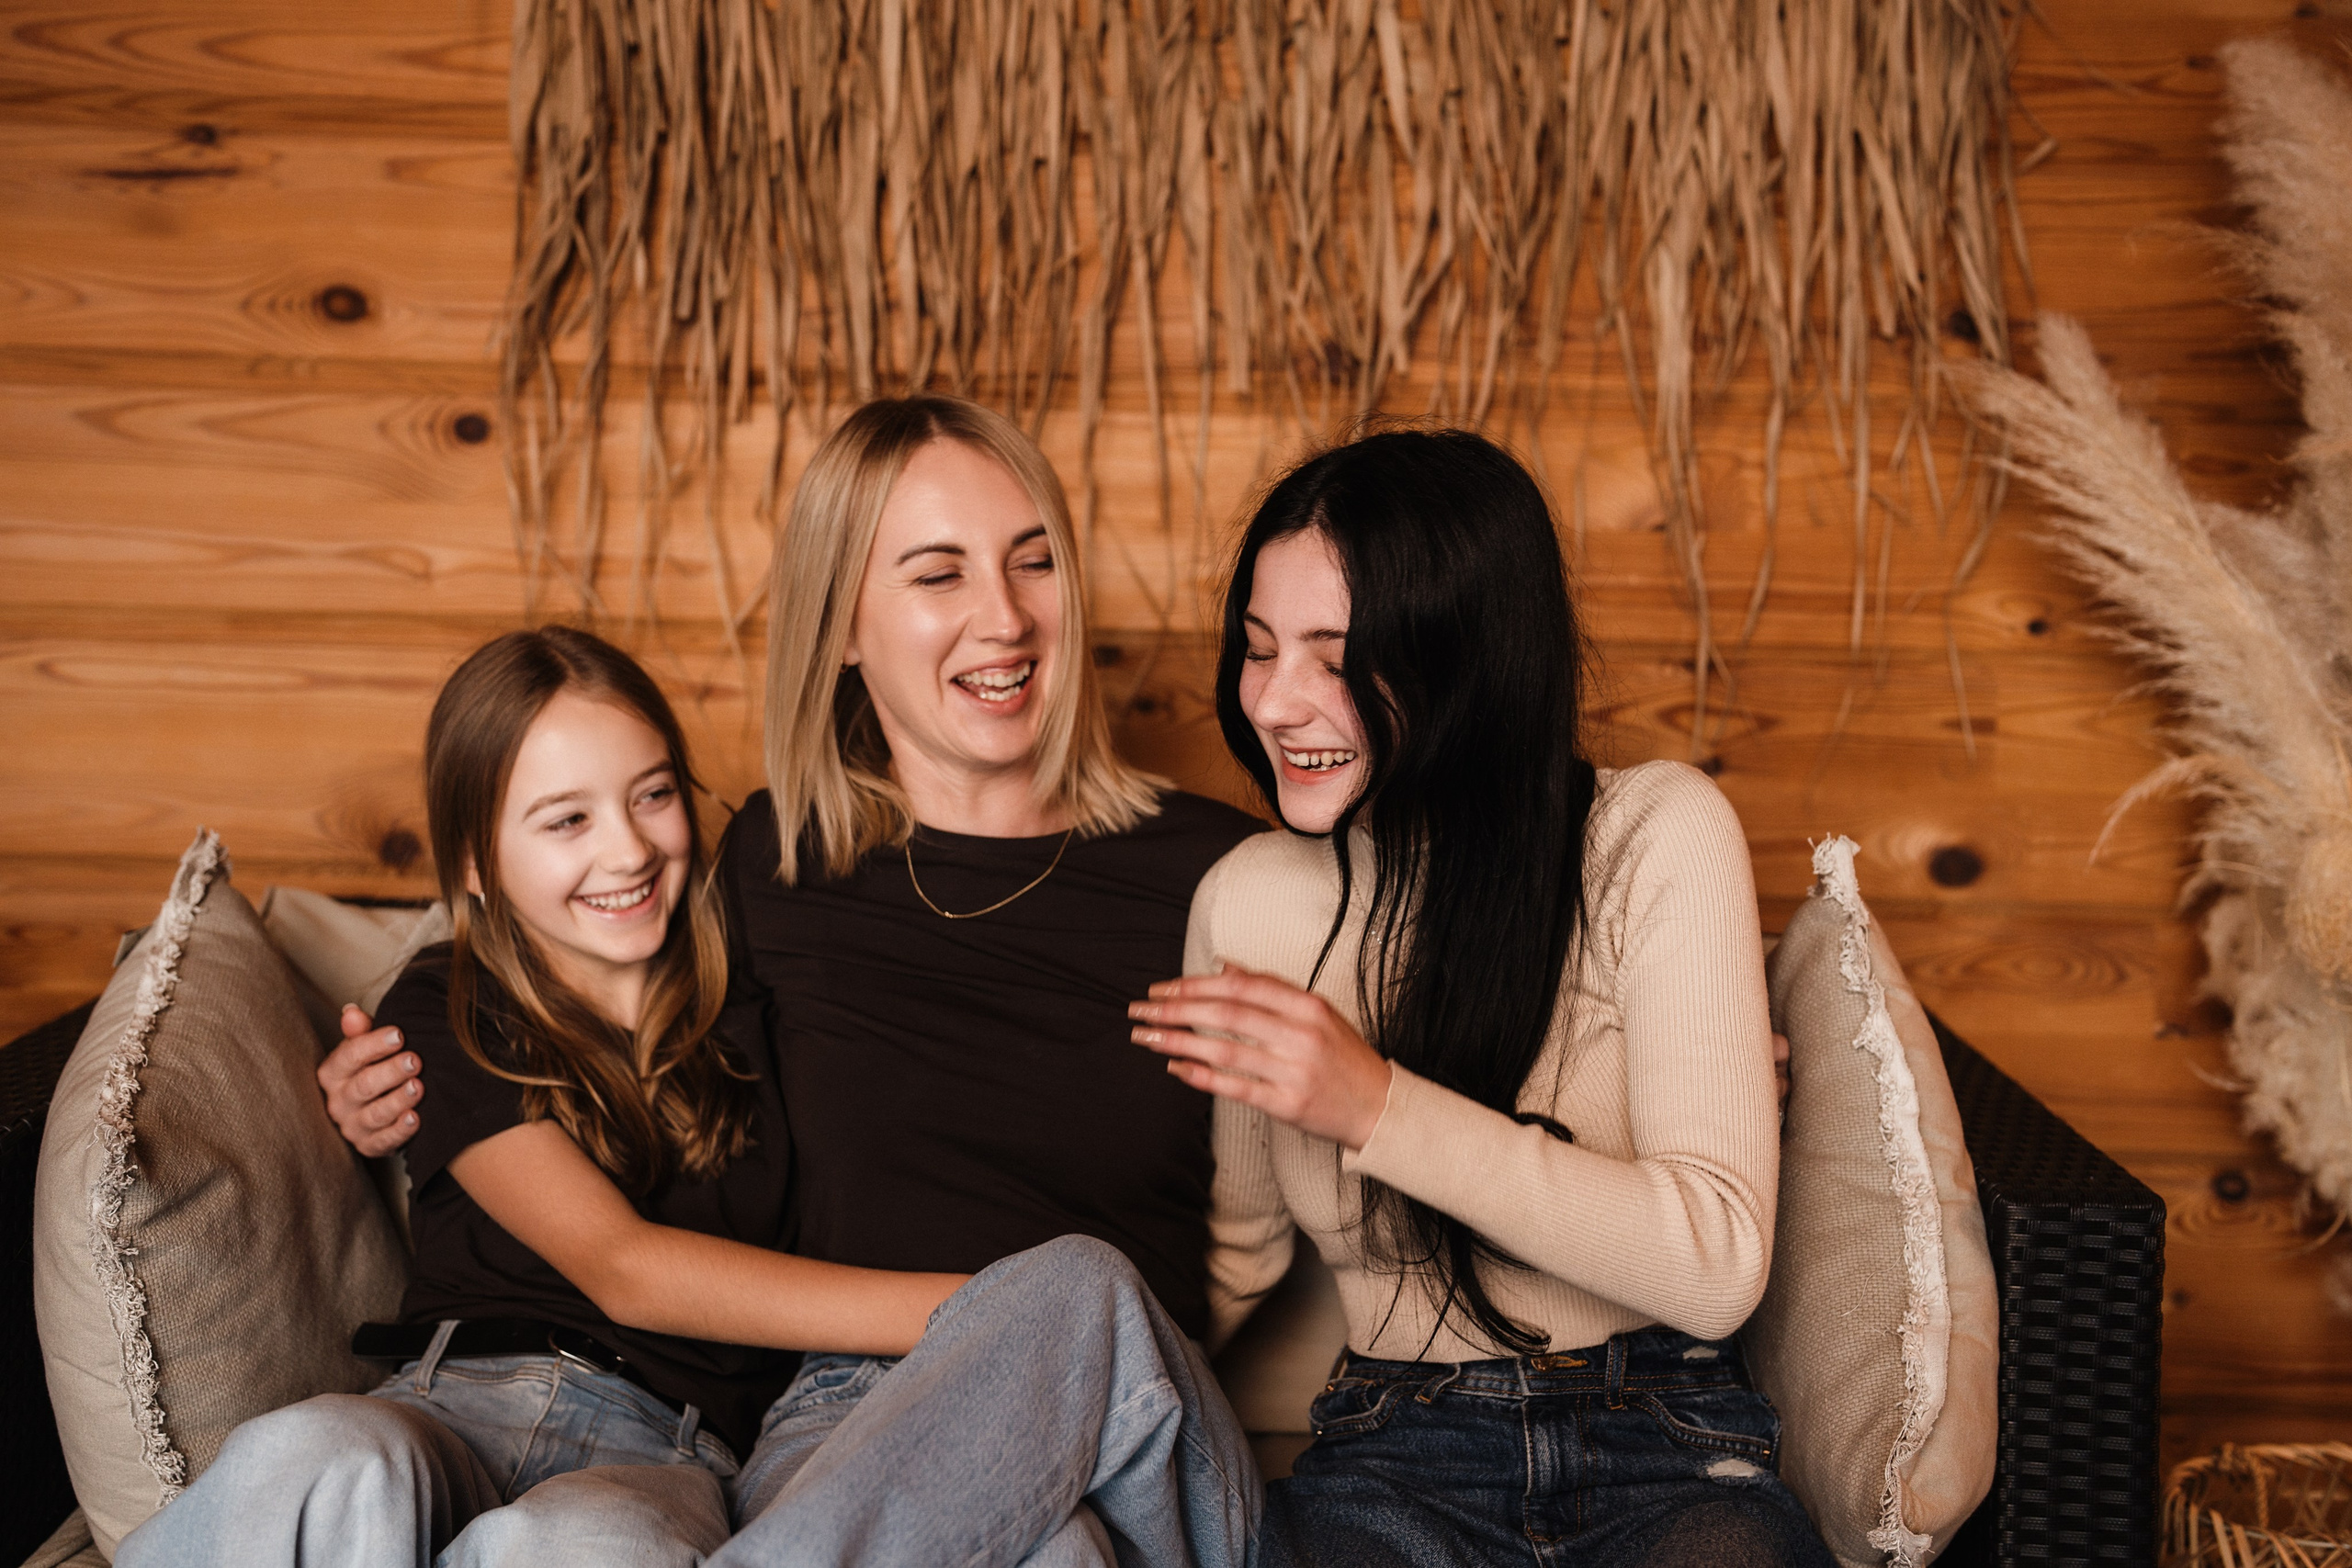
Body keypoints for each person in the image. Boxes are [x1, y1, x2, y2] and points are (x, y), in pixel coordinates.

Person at [312, 397, 1268, 1564]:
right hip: (846, 1419)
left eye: (1034, 561)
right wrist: (382, 1080)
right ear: (843, 628)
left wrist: (1038, 1339)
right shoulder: (776, 865)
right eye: (940, 574)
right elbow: (572, 987)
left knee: (1078, 1290)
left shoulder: (1224, 878)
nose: (1006, 616)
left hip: (1128, 1410)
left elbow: (1279, 1209)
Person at [1125, 427, 1834, 1566]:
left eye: (1334, 657)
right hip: (1396, 1447)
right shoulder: (1247, 904)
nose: (1275, 704)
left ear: (1467, 660)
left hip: (1664, 1440)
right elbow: (1235, 1255)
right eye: (1258, 650)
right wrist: (1019, 1371)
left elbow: (1715, 1266)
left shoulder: (1652, 836)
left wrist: (1374, 1105)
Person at [117, 626, 967, 1567]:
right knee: (319, 1454)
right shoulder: (451, 1003)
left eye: (653, 794)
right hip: (452, 1401)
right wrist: (973, 1310)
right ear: (474, 863)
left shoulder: (766, 1000)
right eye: (568, 820)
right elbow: (623, 1267)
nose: (629, 849)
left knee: (575, 1544)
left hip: (668, 1450)